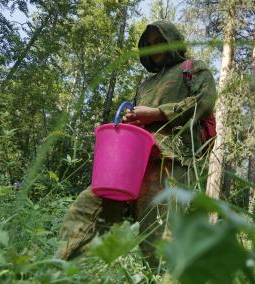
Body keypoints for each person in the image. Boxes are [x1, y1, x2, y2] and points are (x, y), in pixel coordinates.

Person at [56, 20, 217, 267]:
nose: (155, 47)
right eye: (150, 44)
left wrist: (158, 113)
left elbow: (204, 102)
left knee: (159, 240)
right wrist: (128, 122)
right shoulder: (145, 84)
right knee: (86, 211)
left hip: (169, 162)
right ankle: (62, 271)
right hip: (130, 162)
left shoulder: (192, 68)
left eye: (160, 41)